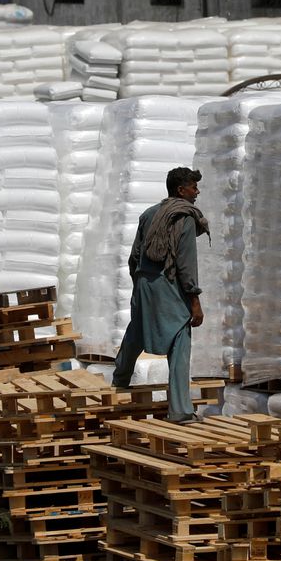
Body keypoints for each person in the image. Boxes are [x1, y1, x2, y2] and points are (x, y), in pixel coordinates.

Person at [112, 166, 210, 423]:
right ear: (181, 190)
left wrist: (142, 285)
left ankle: (119, 383)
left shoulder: (148, 214)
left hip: (145, 282)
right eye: (193, 187)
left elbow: (134, 257)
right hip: (168, 283)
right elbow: (186, 264)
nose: (197, 192)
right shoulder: (184, 218)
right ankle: (180, 411)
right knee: (180, 337)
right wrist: (194, 301)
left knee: (137, 330)